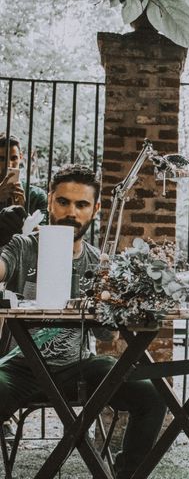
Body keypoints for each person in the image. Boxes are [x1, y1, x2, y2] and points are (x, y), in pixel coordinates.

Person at [0, 165, 166, 479]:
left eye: (81, 205)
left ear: (95, 209)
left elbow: (107, 334)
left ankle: (127, 475)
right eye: (63, 202)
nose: (71, 212)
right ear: (49, 201)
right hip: (22, 365)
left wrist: (114, 298)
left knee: (154, 394)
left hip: (80, 366)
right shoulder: (23, 247)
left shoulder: (100, 262)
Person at [0, 133, 48, 239]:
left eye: (14, 158)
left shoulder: (37, 195)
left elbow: (45, 237)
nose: (9, 164)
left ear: (21, 157)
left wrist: (24, 213)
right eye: (2, 159)